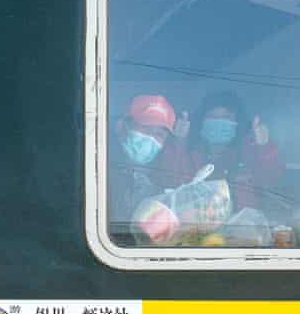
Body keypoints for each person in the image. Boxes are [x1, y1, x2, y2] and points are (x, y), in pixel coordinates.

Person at [156, 91, 283, 212]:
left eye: (226, 117)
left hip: (243, 229)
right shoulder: (188, 152)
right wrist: (179, 141)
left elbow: (270, 183)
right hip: (192, 228)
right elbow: (168, 182)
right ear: (202, 122)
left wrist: (263, 147)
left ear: (237, 122)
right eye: (213, 117)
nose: (219, 122)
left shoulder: (250, 152)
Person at [107, 95, 176, 243]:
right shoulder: (99, 164)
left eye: (159, 134)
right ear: (122, 126)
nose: (151, 137)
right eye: (145, 128)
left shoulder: (161, 177)